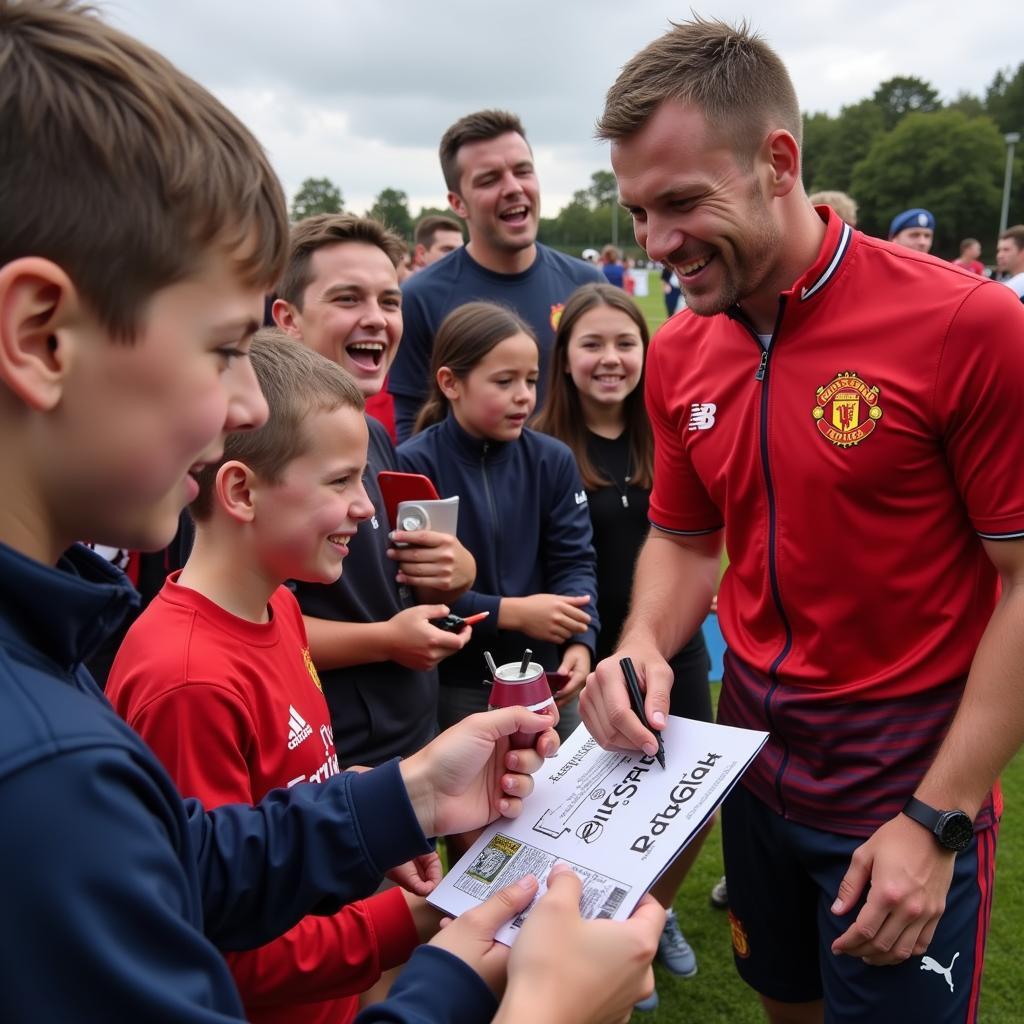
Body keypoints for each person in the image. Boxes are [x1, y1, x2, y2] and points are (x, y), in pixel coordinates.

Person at [0, 3, 660, 1021]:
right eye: (223, 349)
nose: (246, 407)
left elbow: (183, 857)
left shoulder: (54, 651)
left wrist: (407, 796)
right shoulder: (43, 765)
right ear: (42, 337)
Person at [580, 15, 1024, 1024]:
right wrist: (645, 641)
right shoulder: (685, 351)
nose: (656, 244)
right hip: (752, 760)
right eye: (638, 212)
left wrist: (937, 815)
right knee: (787, 1008)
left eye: (681, 202)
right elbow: (687, 539)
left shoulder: (968, 324)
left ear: (777, 161)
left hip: (902, 779)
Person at [107, 331, 449, 1024]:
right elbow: (214, 942)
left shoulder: (283, 608)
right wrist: (405, 924)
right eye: (339, 480)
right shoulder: (188, 682)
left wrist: (370, 828)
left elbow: (287, 793)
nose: (367, 507)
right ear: (240, 491)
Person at [534, 282, 714, 1009]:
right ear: (566, 359)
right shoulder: (543, 446)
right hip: (585, 658)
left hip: (675, 651)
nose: (611, 359)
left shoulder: (667, 431)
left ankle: (652, 913)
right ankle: (600, 931)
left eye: (625, 343)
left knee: (692, 799)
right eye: (592, 344)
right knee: (596, 810)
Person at [273, 214, 477, 767]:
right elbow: (243, 629)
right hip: (334, 762)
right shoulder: (249, 454)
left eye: (390, 301)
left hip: (412, 737)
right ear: (287, 319)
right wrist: (387, 640)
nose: (376, 319)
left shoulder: (376, 434)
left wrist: (453, 573)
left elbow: (387, 582)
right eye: (347, 299)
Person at [396, 302, 600, 745]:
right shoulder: (414, 467)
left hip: (547, 679)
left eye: (530, 379)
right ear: (450, 383)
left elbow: (575, 562)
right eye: (504, 381)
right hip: (458, 687)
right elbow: (418, 591)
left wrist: (581, 640)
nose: (524, 395)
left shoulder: (553, 460)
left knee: (558, 802)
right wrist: (511, 614)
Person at [387, 109, 602, 441]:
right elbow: (412, 427)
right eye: (490, 179)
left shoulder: (587, 286)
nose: (513, 188)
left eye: (523, 171)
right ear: (458, 204)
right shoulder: (420, 297)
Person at [995, 224, 1024, 299]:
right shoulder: (1008, 281)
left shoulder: (1017, 285)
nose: (999, 255)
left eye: (1006, 250)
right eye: (999, 250)